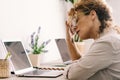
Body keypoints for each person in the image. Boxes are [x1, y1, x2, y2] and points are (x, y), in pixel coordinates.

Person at [63, 0, 120, 80]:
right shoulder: (109, 38)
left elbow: (73, 75)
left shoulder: (107, 43)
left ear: (92, 15)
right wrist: (69, 39)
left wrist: (69, 69)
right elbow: (82, 65)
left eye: (77, 20)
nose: (74, 27)